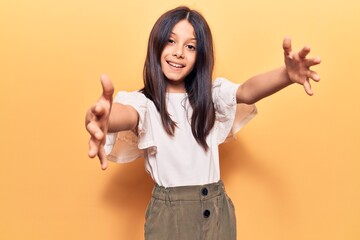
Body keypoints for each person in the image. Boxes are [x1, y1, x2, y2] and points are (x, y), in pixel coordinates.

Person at [85, 6, 320, 240]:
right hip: (170, 216)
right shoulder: (145, 104)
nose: (179, 52)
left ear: (200, 55)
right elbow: (123, 114)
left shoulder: (210, 97)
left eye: (190, 46)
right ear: (156, 45)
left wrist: (285, 75)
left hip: (217, 210)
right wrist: (101, 118)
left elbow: (247, 91)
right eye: (170, 41)